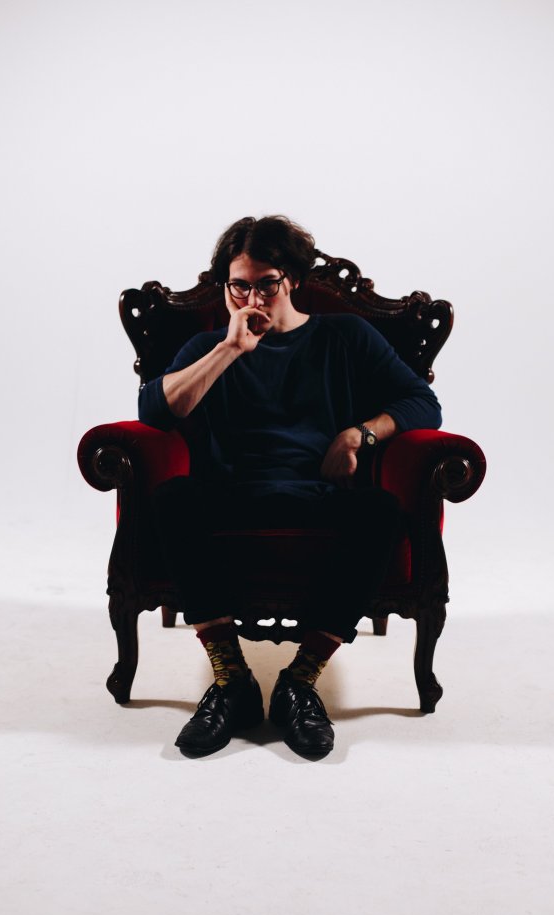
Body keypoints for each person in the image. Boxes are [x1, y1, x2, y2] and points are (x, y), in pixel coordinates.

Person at [138, 215, 442, 759]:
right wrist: (230, 348)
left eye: (267, 283)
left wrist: (358, 434)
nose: (252, 298)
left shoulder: (344, 336)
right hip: (231, 494)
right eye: (239, 286)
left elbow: (423, 403)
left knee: (380, 511)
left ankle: (299, 682)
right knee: (171, 499)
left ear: (293, 280)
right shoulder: (209, 346)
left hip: (318, 495)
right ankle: (232, 680)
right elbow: (155, 412)